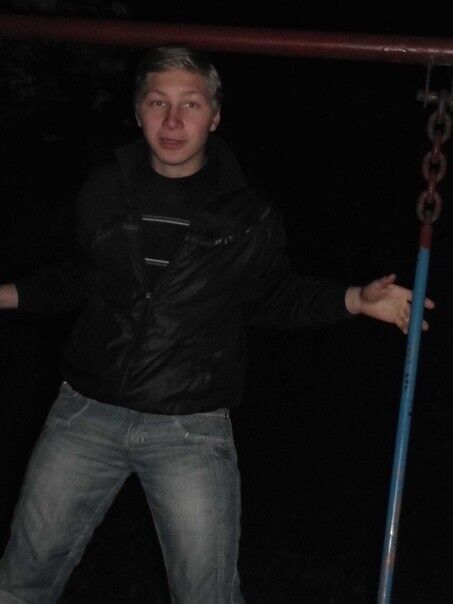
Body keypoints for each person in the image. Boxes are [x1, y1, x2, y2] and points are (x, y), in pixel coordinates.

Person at [0, 45, 434, 603]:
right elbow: (78, 278)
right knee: (19, 583)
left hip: (189, 427)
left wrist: (354, 299)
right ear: (138, 112)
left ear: (215, 116)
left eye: (190, 104)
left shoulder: (246, 213)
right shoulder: (104, 189)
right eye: (158, 102)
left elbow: (273, 296)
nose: (172, 120)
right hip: (84, 413)